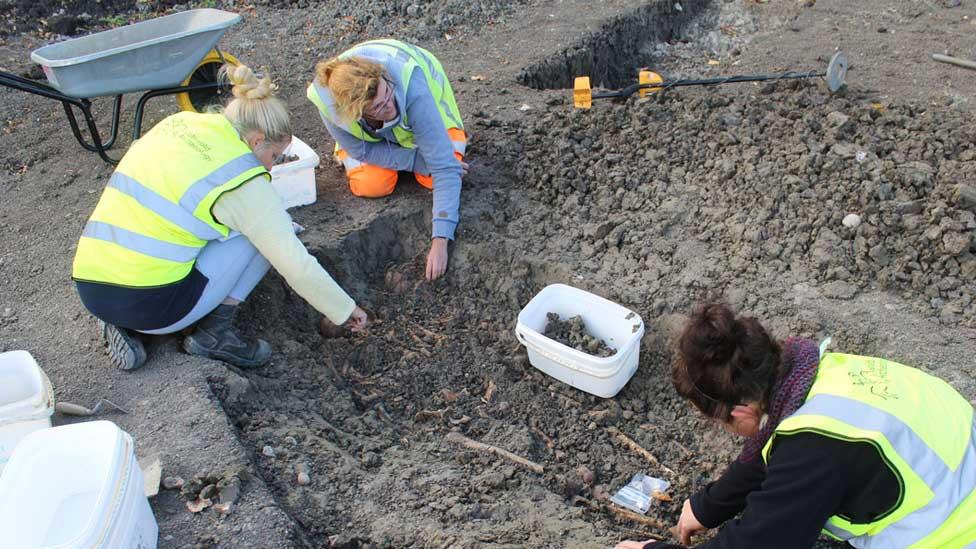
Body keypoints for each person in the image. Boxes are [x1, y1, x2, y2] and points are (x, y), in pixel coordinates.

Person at [72, 64, 368, 371]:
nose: (270, 168)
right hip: (153, 307)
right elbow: (295, 265)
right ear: (256, 141)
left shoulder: (180, 124)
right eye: (273, 158)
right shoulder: (242, 178)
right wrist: (345, 310)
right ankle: (213, 335)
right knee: (270, 235)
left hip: (91, 284)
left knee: (183, 226)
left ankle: (116, 322)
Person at [616, 303, 976, 549]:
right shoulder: (822, 374)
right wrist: (708, 505)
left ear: (739, 413)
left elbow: (760, 543)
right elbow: (770, 443)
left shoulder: (814, 452)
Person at [307, 39, 468, 281]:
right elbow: (362, 151)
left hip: (425, 108)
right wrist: (416, 161)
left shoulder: (409, 86)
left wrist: (441, 240)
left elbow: (445, 168)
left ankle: (416, 152)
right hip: (374, 141)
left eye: (388, 94)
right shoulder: (332, 107)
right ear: (357, 113)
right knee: (371, 185)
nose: (390, 105)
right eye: (379, 108)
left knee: (441, 173)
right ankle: (406, 157)